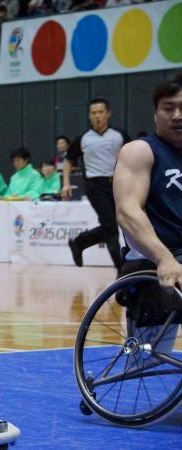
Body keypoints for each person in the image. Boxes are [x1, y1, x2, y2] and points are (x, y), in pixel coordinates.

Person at [114, 74, 182, 289]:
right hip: (154, 257)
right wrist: (164, 258)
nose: (177, 116)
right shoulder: (140, 151)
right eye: (168, 108)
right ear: (155, 114)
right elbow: (127, 211)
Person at [64, 98, 130, 269]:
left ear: (108, 113)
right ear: (89, 116)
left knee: (118, 224)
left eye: (100, 112)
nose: (97, 116)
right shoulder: (83, 139)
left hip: (117, 185)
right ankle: (122, 270)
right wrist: (65, 184)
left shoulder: (119, 135)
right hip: (95, 186)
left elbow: (133, 155)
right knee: (111, 227)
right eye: (93, 113)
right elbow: (68, 161)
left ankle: (79, 242)